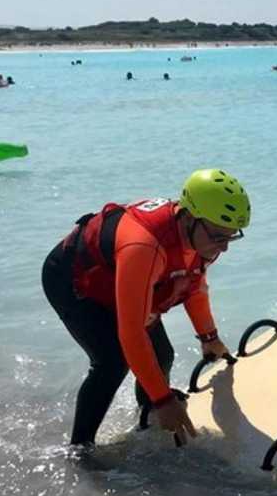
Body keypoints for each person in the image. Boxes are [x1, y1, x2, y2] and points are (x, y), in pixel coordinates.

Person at [42, 169, 251, 447]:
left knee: (162, 354)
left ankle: (147, 419)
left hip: (123, 277)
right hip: (73, 280)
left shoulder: (202, 236)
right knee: (112, 361)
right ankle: (81, 451)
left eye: (231, 237)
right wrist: (164, 400)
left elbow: (194, 285)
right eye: (218, 237)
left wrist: (209, 338)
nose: (224, 248)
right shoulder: (145, 246)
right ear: (188, 217)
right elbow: (131, 333)